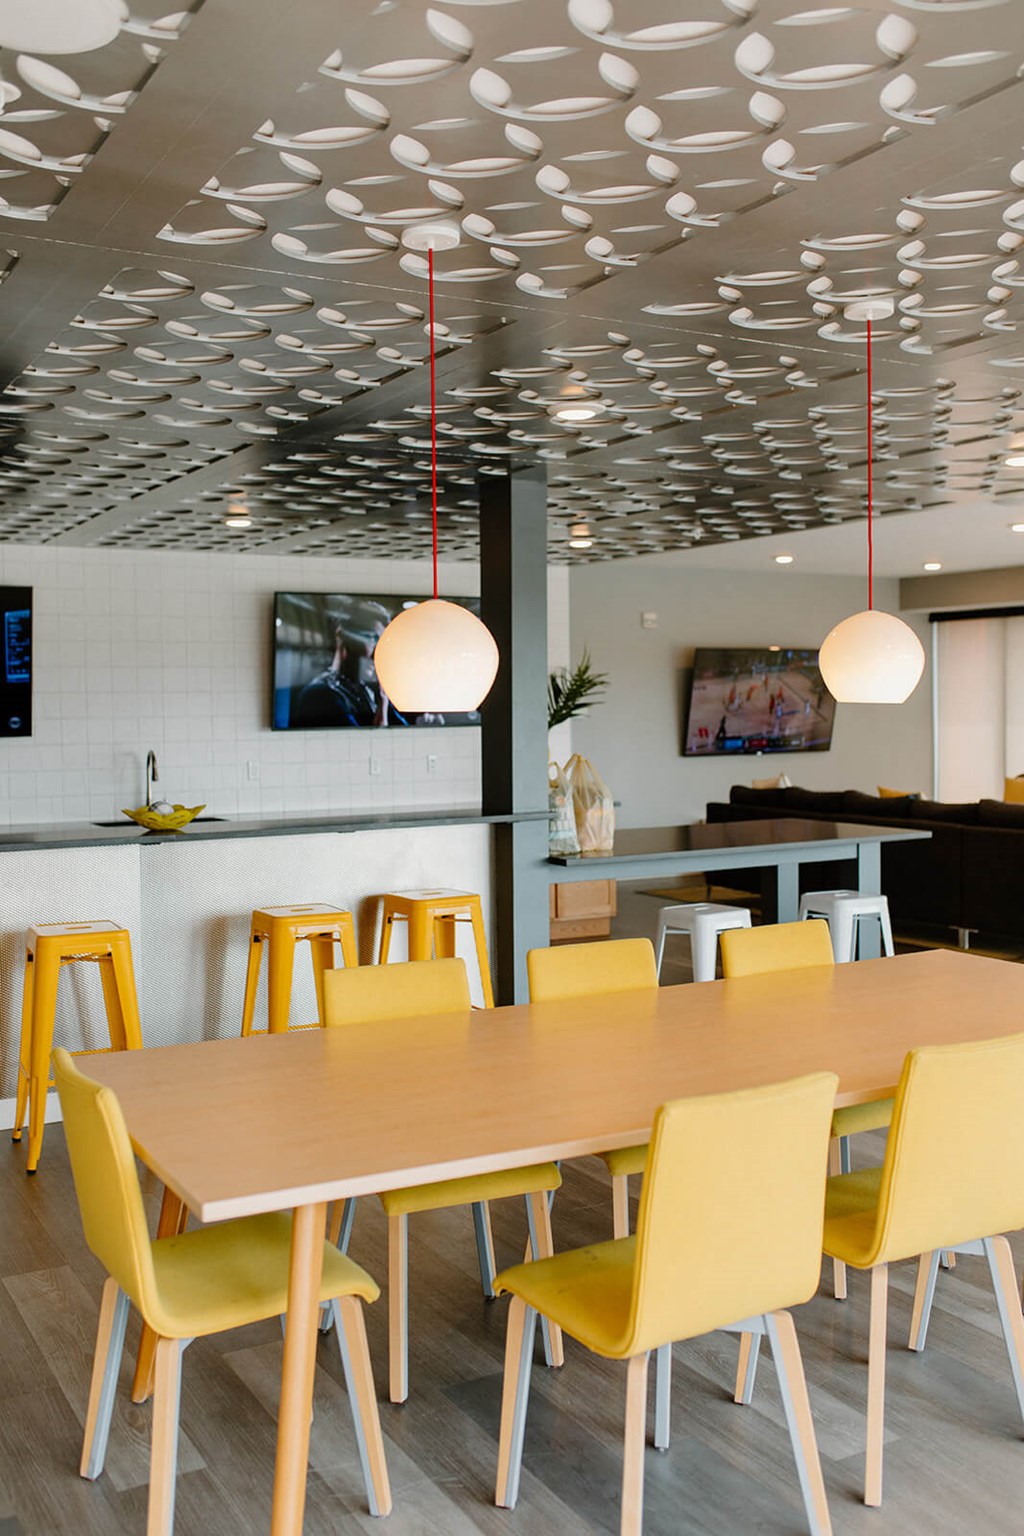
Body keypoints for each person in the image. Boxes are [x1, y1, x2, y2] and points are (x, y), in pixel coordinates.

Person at [294, 601, 408, 728]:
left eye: (382, 643)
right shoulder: (318, 694)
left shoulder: (370, 690)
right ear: (343, 636)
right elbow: (368, 739)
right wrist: (383, 706)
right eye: (371, 639)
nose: (378, 653)